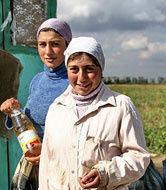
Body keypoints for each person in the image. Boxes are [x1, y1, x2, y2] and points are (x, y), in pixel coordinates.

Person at [39, 37, 150, 189]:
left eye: (89, 69)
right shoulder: (57, 109)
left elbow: (138, 158)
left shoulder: (121, 106)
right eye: (74, 69)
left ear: (101, 70)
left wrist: (106, 173)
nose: (81, 77)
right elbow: (46, 165)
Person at [0, 18, 72, 189]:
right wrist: (15, 111)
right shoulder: (37, 80)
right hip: (34, 164)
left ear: (67, 46)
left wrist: (49, 154)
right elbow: (33, 118)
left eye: (55, 44)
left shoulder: (74, 83)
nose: (48, 52)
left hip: (63, 167)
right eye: (42, 44)